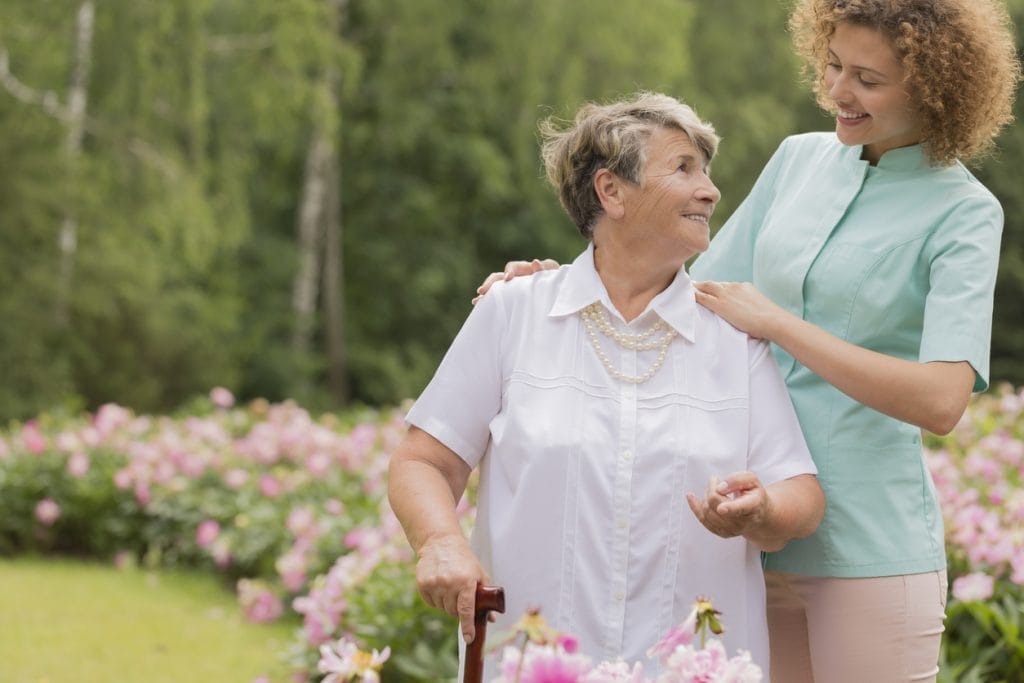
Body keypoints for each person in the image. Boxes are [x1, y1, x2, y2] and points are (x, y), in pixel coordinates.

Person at [475, 1, 1022, 681]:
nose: (838, 92)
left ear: (936, 88)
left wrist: (781, 324)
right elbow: (688, 291)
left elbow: (942, 400)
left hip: (871, 547)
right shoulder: (797, 161)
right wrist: (566, 278)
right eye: (832, 66)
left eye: (867, 80)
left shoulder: (964, 213)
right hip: (749, 540)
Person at [388, 92, 825, 680]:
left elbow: (802, 495)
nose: (711, 190)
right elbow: (424, 461)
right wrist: (439, 542)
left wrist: (763, 509)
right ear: (610, 192)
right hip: (534, 664)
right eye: (683, 168)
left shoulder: (735, 336)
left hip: (689, 670)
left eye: (706, 170)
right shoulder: (513, 312)